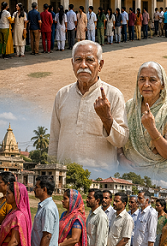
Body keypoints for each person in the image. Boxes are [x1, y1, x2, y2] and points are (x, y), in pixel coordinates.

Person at [48, 41, 129, 170]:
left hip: (100, 178)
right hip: (65, 175)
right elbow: (54, 140)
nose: (83, 65)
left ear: (100, 65)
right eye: (78, 60)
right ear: (72, 63)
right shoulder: (62, 94)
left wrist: (107, 118)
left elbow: (121, 141)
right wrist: (51, 171)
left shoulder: (113, 95)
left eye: (90, 60)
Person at [119, 61, 167, 183]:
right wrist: (121, 157)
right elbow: (120, 138)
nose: (146, 84)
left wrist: (152, 129)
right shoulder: (130, 106)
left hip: (162, 180)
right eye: (142, 79)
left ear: (162, 85)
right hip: (132, 176)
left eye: (152, 80)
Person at [0, 171, 14, 239]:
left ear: (7, 184)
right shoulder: (1, 200)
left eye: (0, 182)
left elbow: (9, 225)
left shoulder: (10, 203)